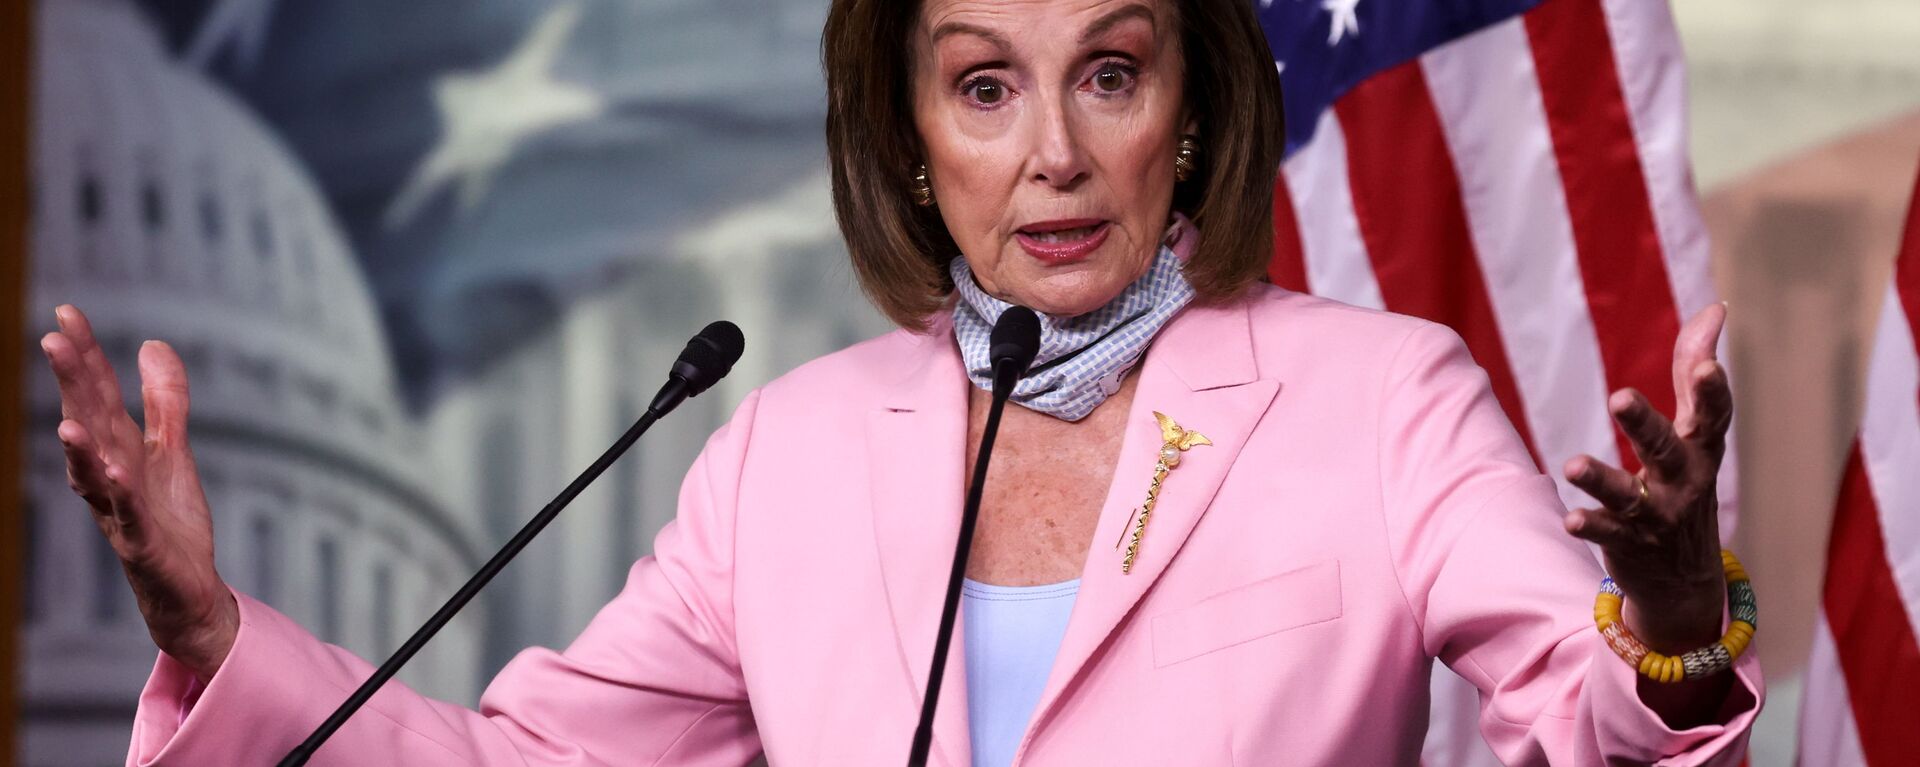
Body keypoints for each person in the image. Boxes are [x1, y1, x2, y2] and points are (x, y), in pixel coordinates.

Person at [40, 0, 1760, 763]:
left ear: (1195, 113)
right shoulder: (784, 451)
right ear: (917, 145)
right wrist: (212, 633)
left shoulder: (1383, 397)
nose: (1060, 156)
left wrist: (1678, 627)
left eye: (1110, 70)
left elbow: (1596, 724)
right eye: (985, 88)